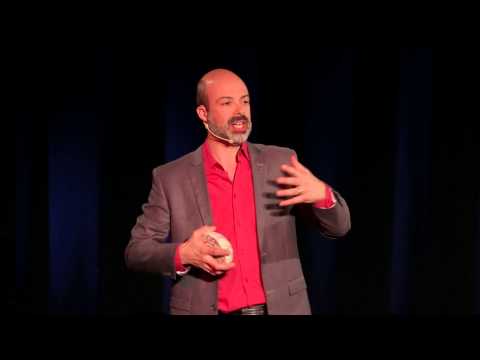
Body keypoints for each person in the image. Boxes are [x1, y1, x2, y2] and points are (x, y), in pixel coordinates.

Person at [125, 68, 351, 315]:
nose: (239, 111)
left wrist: (323, 196)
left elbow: (338, 227)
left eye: (245, 101)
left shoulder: (281, 162)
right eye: (226, 103)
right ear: (203, 113)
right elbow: (137, 251)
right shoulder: (171, 177)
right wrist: (184, 254)